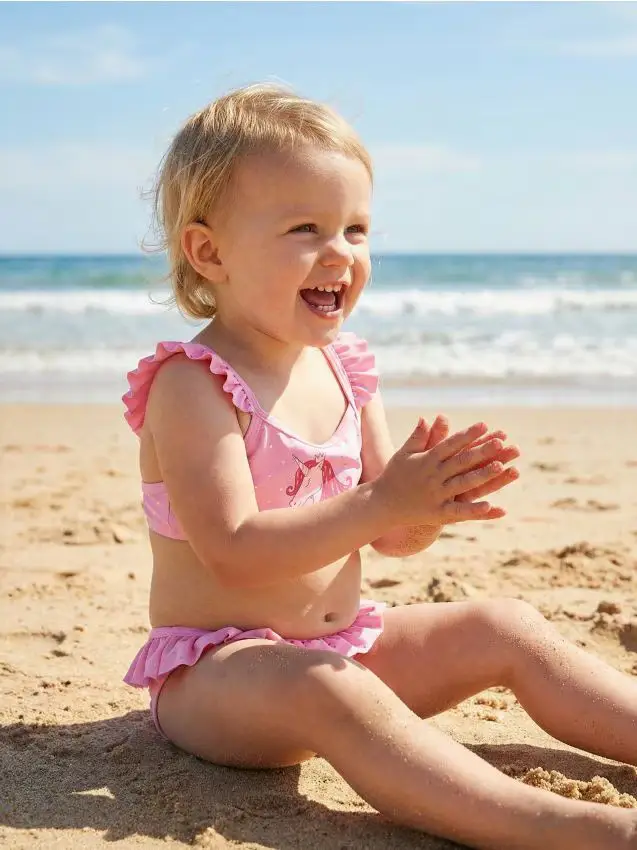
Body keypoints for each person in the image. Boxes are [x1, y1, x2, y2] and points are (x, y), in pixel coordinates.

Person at [121, 83, 637, 849]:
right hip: (217, 679)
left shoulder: (345, 370)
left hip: (340, 649)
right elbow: (232, 550)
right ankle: (567, 828)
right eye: (304, 228)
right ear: (209, 252)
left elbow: (387, 538)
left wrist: (417, 510)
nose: (340, 253)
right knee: (331, 690)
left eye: (355, 228)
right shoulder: (191, 385)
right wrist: (379, 504)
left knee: (505, 626)